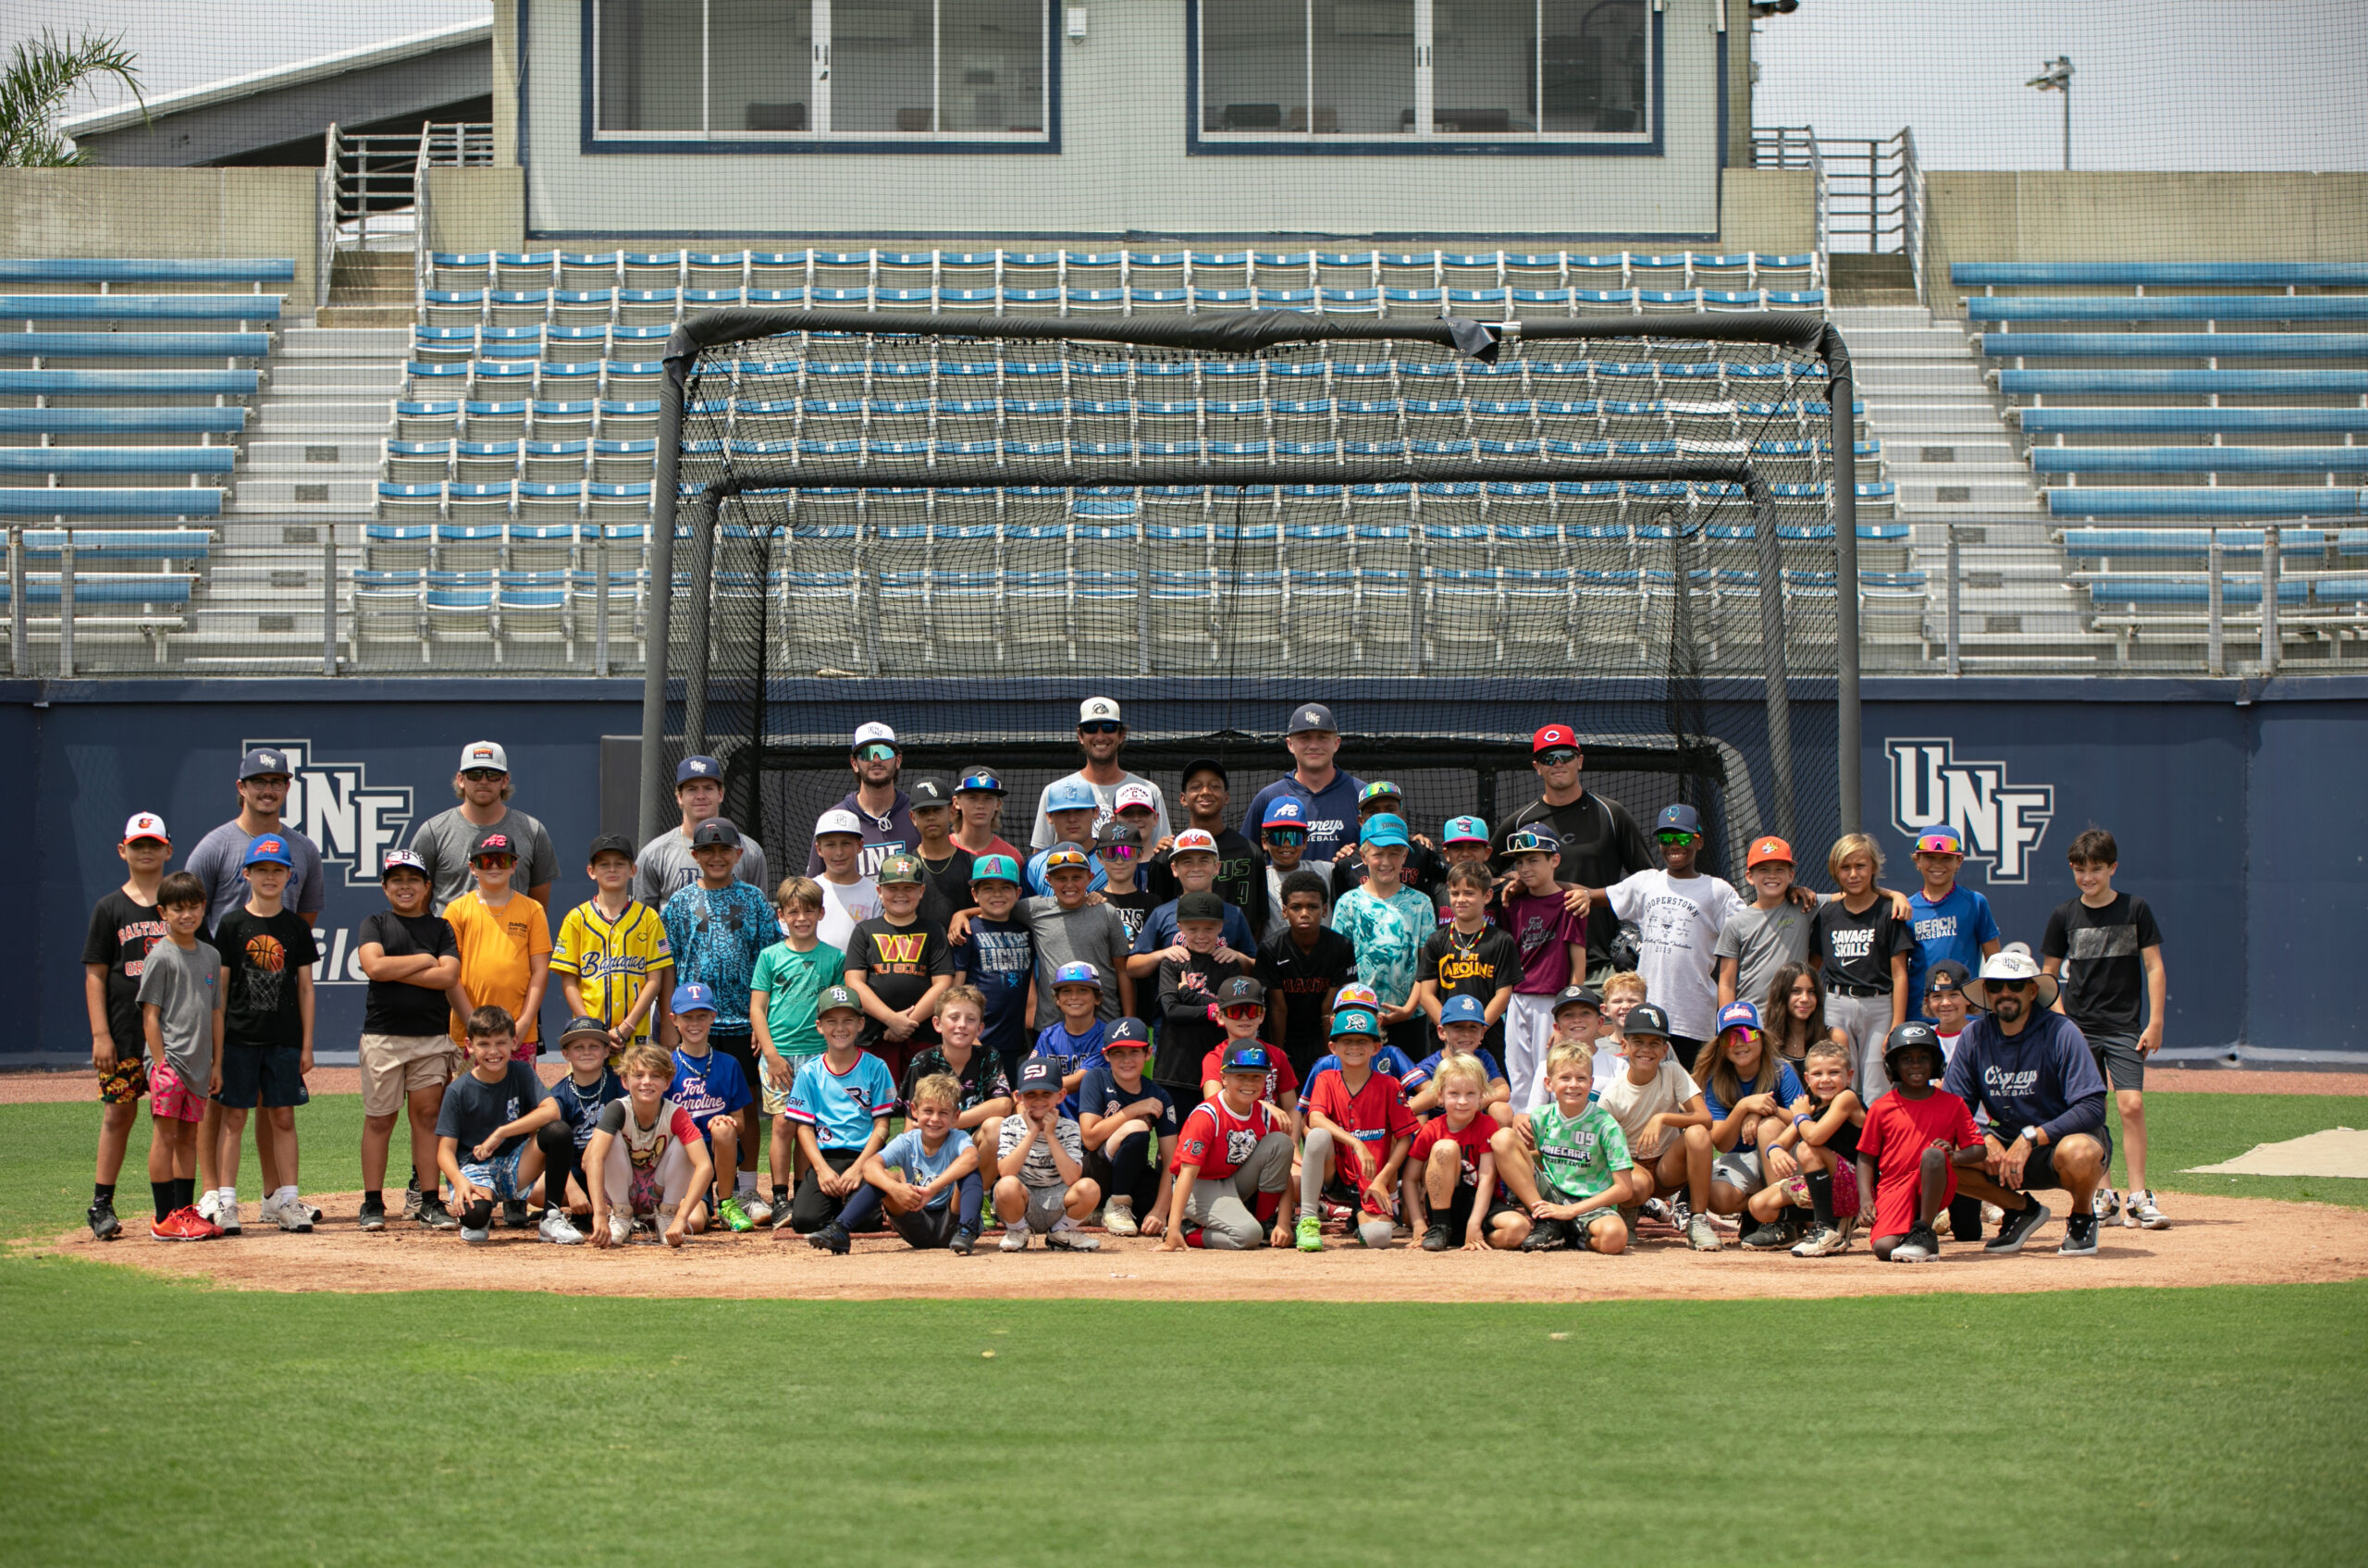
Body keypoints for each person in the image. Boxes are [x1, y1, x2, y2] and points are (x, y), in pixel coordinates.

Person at [186, 748, 324, 1228]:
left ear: (287, 787)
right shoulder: (215, 845)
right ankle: (212, 1194)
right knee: (222, 1102)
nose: (268, 790)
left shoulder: (302, 849)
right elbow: (189, 912)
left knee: (276, 1105)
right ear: (241, 787)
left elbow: (302, 919)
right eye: (258, 781)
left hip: (276, 1004)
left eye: (277, 781)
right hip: (224, 991)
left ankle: (276, 1196)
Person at [1944, 948, 2114, 1257]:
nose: (2005, 993)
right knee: (1938, 1156)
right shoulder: (1974, 1036)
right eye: (1995, 986)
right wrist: (1984, 1138)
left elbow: (2092, 1107)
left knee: (2081, 1152)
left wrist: (2032, 1137)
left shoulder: (2062, 1031)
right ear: (1986, 992)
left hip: (2058, 1140)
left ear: (2033, 991)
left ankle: (2082, 1217)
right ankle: (2021, 1210)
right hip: (2006, 1141)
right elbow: (1952, 1109)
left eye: (2016, 985)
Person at [2041, 827, 2170, 1230]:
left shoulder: (2136, 909)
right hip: (2079, 1029)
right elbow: (2047, 976)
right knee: (2090, 1112)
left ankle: (2139, 1197)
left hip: (2124, 1027)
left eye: (2096, 869)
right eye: (2080, 869)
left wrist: (2156, 1022)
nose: (2088, 877)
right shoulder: (2064, 914)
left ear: (2113, 868)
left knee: (2131, 1105)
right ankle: (2104, 1197)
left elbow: (2154, 966)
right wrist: (2063, 1022)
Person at [660, 819, 776, 1208]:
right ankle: (691, 1180)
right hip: (697, 1022)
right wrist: (671, 1021)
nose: (716, 857)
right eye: (707, 850)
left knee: (745, 1106)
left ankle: (746, 1188)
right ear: (694, 855)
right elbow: (669, 965)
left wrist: (764, 1020)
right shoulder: (679, 903)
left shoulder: (755, 899)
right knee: (694, 1102)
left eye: (724, 849)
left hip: (745, 1021)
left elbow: (768, 961)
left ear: (738, 854)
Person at [212, 832, 318, 1236]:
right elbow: (220, 991)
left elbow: (305, 988)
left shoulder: (295, 927)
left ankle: (288, 1201)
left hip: (284, 1040)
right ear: (247, 873)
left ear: (290, 875)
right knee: (234, 1117)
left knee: (284, 1117)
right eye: (262, 870)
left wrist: (307, 1044)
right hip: (239, 1037)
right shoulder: (232, 924)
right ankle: (226, 1203)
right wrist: (217, 1050)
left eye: (277, 870)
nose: (269, 877)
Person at [1490, 723, 1655, 982]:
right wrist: (1514, 881)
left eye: (1565, 756)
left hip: (1600, 965)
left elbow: (1648, 883)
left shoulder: (1612, 815)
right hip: (1536, 966)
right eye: (1548, 758)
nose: (1558, 763)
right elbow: (1482, 876)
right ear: (1537, 767)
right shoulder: (1520, 822)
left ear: (1580, 761)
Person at [354, 847, 464, 1233]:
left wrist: (393, 968)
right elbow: (373, 966)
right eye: (397, 880)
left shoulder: (441, 928)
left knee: (426, 1117)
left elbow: (448, 977)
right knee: (380, 1119)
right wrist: (423, 959)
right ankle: (372, 1203)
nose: (405, 887)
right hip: (383, 1036)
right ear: (385, 887)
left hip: (431, 1038)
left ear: (426, 886)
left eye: (413, 880)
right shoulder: (375, 922)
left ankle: (430, 1202)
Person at [1591, 804, 1743, 1068]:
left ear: (1699, 842)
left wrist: (1792, 894)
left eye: (1682, 838)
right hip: (1647, 1013)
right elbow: (1590, 896)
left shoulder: (1718, 890)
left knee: (1694, 1094)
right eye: (1665, 838)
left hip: (1694, 1016)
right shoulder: (1647, 881)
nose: (1673, 845)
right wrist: (1536, 882)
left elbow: (1752, 924)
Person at [82, 810, 175, 1241]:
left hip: (173, 1036)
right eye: (138, 845)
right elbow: (96, 974)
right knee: (118, 1116)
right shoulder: (110, 908)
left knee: (169, 1118)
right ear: (123, 850)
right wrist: (101, 1034)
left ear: (167, 850)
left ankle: (174, 1205)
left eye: (153, 845)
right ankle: (101, 1203)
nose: (145, 852)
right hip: (122, 1034)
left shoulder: (180, 903)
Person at [131, 870, 224, 1241]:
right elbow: (150, 1015)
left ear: (204, 908)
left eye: (193, 907)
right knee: (165, 1137)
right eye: (178, 909)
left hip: (200, 1066)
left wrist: (216, 1062)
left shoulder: (211, 956)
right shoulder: (160, 955)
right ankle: (161, 1218)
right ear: (163, 912)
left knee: (188, 1139)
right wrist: (161, 1064)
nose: (187, 915)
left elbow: (215, 1010)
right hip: (170, 1065)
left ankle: (185, 1212)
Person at [1585, 1002, 1720, 1251]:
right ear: (1624, 1046)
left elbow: (1705, 1118)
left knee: (1698, 1133)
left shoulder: (1673, 1072)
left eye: (1654, 1043)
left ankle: (1698, 1219)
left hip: (1669, 1166)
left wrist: (1663, 1119)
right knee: (1638, 1185)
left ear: (1664, 1049)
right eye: (1638, 1042)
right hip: (1633, 1168)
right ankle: (1627, 1209)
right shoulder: (1611, 1095)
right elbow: (1602, 1151)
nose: (1646, 1050)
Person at [751, 875, 845, 1219]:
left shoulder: (834, 958)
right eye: (793, 912)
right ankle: (779, 1197)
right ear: (782, 916)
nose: (801, 918)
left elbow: (839, 1011)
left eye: (809, 910)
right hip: (780, 1054)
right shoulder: (770, 956)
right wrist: (772, 1055)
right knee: (782, 1124)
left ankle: (805, 1190)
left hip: (818, 1055)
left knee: (809, 1124)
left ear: (821, 913)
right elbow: (757, 1009)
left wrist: (834, 1052)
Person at [1856, 1022, 1985, 1262]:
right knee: (1885, 1248)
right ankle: (1911, 1227)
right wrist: (1866, 1199)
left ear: (1936, 1063)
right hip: (1895, 1185)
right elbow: (1866, 1156)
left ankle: (1925, 1230)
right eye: (1907, 1059)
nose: (1916, 1065)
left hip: (1936, 1179)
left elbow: (1979, 1149)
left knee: (1934, 1154)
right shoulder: (1882, 1107)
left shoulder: (1953, 1103)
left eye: (1924, 1058)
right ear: (1893, 1066)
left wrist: (1953, 1156)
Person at [817, 1072, 985, 1255]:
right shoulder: (907, 1141)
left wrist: (932, 1189)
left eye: (943, 1113)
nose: (935, 1119)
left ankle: (967, 1228)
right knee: (881, 1178)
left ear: (956, 1116)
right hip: (916, 1224)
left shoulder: (958, 1138)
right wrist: (895, 1188)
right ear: (914, 1110)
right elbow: (870, 1166)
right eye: (928, 1111)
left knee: (970, 1172)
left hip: (952, 1224)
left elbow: (971, 1158)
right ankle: (840, 1229)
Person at [1495, 1041, 1634, 1254]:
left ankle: (1573, 1238)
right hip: (1550, 1196)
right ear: (1549, 1083)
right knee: (1503, 1138)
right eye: (1565, 1078)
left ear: (1591, 1082)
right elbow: (1531, 1158)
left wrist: (1570, 1211)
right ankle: (1545, 1221)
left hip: (1589, 1203)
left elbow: (1624, 1189)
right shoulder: (1541, 1117)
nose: (1573, 1085)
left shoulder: (1607, 1126)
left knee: (1614, 1238)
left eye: (1581, 1078)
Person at [1297, 1007, 1417, 1251]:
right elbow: (1315, 1119)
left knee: (1379, 1239)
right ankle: (1307, 1219)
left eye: (1362, 1041)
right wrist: (1356, 1143)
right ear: (1333, 1048)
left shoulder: (1389, 1084)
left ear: (1376, 1047)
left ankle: (1358, 1220)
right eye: (1346, 1041)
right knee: (1318, 1136)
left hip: (1370, 1177)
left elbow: (1405, 1138)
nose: (1354, 1047)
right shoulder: (1326, 1078)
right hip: (1334, 1174)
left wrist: (1382, 1180)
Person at [782, 985, 899, 1234]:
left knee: (867, 1223)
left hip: (864, 1157)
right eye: (831, 1021)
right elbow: (804, 1128)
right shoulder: (810, 1072)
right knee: (804, 1221)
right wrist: (822, 1170)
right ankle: (838, 1202)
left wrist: (859, 1169)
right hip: (827, 1157)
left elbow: (882, 1127)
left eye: (848, 1021)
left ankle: (867, 1194)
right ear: (819, 1026)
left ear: (860, 1024)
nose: (840, 1028)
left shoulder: (876, 1067)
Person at [1158, 1041, 1297, 1251]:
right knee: (1247, 1235)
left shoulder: (1265, 1115)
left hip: (1231, 1181)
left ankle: (1264, 1222)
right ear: (1223, 1078)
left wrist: (1283, 1222)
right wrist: (1173, 1225)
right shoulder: (1207, 1115)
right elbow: (1187, 1173)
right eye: (1240, 1076)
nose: (1249, 1083)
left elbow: (1283, 1168)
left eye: (1256, 1077)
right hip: (1198, 1188)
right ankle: (1187, 1233)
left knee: (1282, 1143)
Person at [434, 1006, 553, 1244]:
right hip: (475, 1167)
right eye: (484, 1044)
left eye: (501, 1043)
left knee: (556, 1133)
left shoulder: (521, 1072)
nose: (493, 1051)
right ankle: (483, 1208)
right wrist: (459, 1182)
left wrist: (501, 1133)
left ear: (514, 1041)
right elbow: (444, 1151)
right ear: (469, 1046)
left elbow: (552, 1111)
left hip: (516, 1164)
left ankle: (553, 1217)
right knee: (475, 1215)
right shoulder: (458, 1090)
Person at [550, 833, 672, 1056]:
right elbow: (568, 980)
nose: (612, 869)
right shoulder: (576, 918)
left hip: (635, 1036)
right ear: (591, 871)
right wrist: (591, 1027)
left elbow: (655, 980)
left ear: (633, 870)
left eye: (620, 864)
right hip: (589, 1037)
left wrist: (626, 1027)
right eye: (604, 864)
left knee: (636, 1086)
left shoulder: (649, 918)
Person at [896, 984, 1013, 1214]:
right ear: (937, 1024)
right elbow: (911, 1126)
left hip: (975, 1150)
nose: (961, 1025)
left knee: (996, 1126)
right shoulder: (923, 1061)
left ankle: (983, 1196)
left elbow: (1004, 1104)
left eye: (970, 1019)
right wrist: (903, 1183)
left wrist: (952, 1122)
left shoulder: (988, 1056)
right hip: (933, 1151)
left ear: (980, 1028)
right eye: (954, 1017)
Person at [586, 1042, 714, 1249]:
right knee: (605, 1142)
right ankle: (620, 1214)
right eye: (638, 1075)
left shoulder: (676, 1114)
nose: (647, 1082)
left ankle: (667, 1215)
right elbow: (594, 1158)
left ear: (667, 1082)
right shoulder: (617, 1109)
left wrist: (681, 1218)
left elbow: (705, 1166)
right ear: (625, 1081)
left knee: (686, 1145)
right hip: (623, 1187)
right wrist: (599, 1215)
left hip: (659, 1189)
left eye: (655, 1076)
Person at [1329, 813, 1437, 1055]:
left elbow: (1426, 965)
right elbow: (1339, 965)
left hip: (1410, 1019)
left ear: (1405, 857)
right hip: (1359, 1020)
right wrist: (1359, 1009)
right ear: (1365, 856)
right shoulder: (1349, 903)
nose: (1386, 861)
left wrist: (1409, 1008)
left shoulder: (1421, 904)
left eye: (1394, 853)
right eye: (1378, 854)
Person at [1813, 833, 1912, 1093]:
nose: (1853, 874)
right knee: (1840, 1083)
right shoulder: (1827, 915)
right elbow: (1814, 964)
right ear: (1835, 871)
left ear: (1873, 868)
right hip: (1837, 1004)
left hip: (1879, 1006)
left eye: (1860, 866)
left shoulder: (1888, 912)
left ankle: (1874, 1134)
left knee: (1876, 1086)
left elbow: (1900, 974)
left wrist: (1896, 1025)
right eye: (1845, 867)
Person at [845, 852, 955, 1085]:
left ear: (921, 891)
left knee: (925, 1101)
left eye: (908, 887)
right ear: (879, 891)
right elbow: (854, 982)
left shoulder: (934, 931)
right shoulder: (864, 931)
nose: (901, 894)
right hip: (874, 1034)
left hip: (923, 1033)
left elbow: (943, 984)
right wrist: (890, 1019)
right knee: (878, 1104)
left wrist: (906, 1023)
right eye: (892, 888)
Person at [444, 825, 553, 1061]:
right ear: (473, 868)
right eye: (486, 861)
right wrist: (471, 1022)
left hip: (518, 1033)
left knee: (518, 1096)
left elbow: (540, 972)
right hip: (467, 1033)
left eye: (502, 860)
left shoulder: (532, 910)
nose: (494, 866)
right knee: (468, 1096)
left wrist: (524, 1023)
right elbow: (450, 976)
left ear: (514, 866)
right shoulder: (456, 911)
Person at [410, 740, 558, 913]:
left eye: (492, 774)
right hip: (450, 939)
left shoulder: (532, 831)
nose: (483, 781)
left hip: (512, 939)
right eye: (475, 774)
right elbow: (417, 905)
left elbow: (537, 910)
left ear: (505, 781)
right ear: (460, 780)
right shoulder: (434, 832)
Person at [1695, 998, 1807, 1227]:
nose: (1739, 1043)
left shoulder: (1781, 1070)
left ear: (1762, 1038)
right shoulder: (1716, 1080)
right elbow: (1721, 1144)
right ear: (1721, 1047)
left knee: (1769, 1127)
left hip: (1785, 1154)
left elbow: (1803, 1121)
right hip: (1742, 1158)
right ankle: (1764, 1210)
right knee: (1717, 1198)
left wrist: (1766, 1112)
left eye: (1747, 1034)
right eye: (1729, 1038)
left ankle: (1780, 1222)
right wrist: (1744, 1107)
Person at [1497, 826, 1586, 1107]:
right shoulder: (1512, 902)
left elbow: (1578, 967)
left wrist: (1566, 1014)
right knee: (1518, 1075)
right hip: (1517, 999)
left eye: (1533, 860)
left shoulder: (1570, 903)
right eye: (1519, 862)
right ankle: (1520, 1142)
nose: (1524, 868)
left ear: (1555, 860)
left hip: (1552, 1002)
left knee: (1549, 1073)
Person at [1404, 1052, 1529, 1252]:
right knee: (1445, 1147)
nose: (1462, 1101)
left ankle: (1466, 1237)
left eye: (1470, 1094)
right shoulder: (1432, 1128)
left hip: (1480, 1201)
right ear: (1440, 1096)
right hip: (1441, 1204)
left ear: (1481, 1096)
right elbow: (1410, 1179)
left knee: (1519, 1228)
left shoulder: (1487, 1124)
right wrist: (1419, 1223)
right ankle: (1441, 1227)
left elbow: (1487, 1178)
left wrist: (1474, 1223)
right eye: (1454, 1094)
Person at [664, 982, 763, 1232]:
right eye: (687, 1017)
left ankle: (727, 1202)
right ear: (674, 1020)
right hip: (683, 1157)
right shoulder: (666, 1066)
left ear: (713, 1018)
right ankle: (684, 1204)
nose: (695, 1023)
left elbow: (740, 1122)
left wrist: (725, 1122)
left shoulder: (728, 1064)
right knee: (695, 1223)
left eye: (702, 1016)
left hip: (719, 1153)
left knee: (723, 1128)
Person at [1127, 830, 1257, 1010]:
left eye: (1204, 860)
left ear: (1217, 867)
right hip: (1174, 1022)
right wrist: (1161, 954)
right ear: (1174, 869)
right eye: (1187, 861)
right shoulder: (1162, 914)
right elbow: (1132, 967)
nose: (1196, 868)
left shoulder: (1233, 914)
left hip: (1223, 1022)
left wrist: (1238, 957)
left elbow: (1257, 968)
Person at [1411, 861, 1523, 1061]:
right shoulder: (1436, 940)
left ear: (1487, 896)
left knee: (1490, 1090)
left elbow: (1504, 993)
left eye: (1469, 893)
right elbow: (1426, 994)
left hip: (1487, 1039)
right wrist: (1449, 1029)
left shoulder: (1501, 940)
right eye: (1455, 893)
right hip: (1445, 1041)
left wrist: (1477, 1030)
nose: (1461, 900)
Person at [1029, 696, 1173, 850]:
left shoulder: (1148, 790)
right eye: (1091, 728)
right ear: (1080, 735)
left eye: (1108, 727)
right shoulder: (1055, 791)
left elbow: (1161, 850)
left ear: (1121, 735)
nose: (1100, 736)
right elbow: (1039, 857)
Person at [1076, 1019, 1176, 1239]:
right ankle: (1117, 1204)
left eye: (1134, 1052)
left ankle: (1099, 1212)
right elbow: (1090, 1138)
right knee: (1137, 1127)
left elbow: (1171, 1160)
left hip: (1131, 1171)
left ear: (1148, 1053)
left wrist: (1160, 1210)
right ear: (1106, 1055)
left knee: (1181, 1204)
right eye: (1118, 1053)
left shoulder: (1159, 1094)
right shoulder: (1096, 1078)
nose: (1127, 1060)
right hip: (1093, 1171)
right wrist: (1133, 1110)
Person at [1256, 868, 1359, 1081]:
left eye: (1312, 907)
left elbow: (1329, 1008)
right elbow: (1278, 1007)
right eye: (1296, 907)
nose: (1304, 913)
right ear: (1284, 911)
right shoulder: (1271, 948)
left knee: (1324, 1085)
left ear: (1323, 910)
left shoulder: (1340, 946)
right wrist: (1278, 1057)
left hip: (1320, 1033)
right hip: (1285, 1034)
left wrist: (1328, 1059)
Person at [531, 1017, 625, 1245]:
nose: (586, 1052)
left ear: (606, 1051)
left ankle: (618, 1208)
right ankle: (582, 1208)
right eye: (578, 1047)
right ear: (566, 1054)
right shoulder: (560, 1094)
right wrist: (572, 1190)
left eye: (594, 1046)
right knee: (537, 1193)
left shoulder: (618, 1083)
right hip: (574, 1167)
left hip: (613, 1166)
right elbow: (551, 1151)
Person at [993, 1056, 1102, 1251]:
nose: (1039, 1100)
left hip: (1057, 1202)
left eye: (1046, 1093)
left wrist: (1050, 1136)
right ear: (1019, 1097)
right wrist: (1032, 1132)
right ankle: (1018, 1231)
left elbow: (1072, 1177)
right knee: (1006, 1186)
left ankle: (1060, 1233)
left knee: (1090, 1188)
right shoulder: (1010, 1125)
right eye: (1031, 1094)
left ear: (1060, 1096)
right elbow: (1006, 1172)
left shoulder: (1069, 1127)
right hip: (1020, 1204)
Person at [635, 754, 772, 904]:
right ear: (679, 797)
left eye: (708, 788)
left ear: (720, 794)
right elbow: (644, 921)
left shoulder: (750, 851)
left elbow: (759, 915)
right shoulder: (654, 854)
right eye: (692, 789)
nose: (701, 796)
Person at [1148, 759, 1263, 938]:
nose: (1205, 792)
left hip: (1233, 957)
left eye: (1214, 786)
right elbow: (1157, 918)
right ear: (1183, 799)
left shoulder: (1251, 851)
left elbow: (1259, 921)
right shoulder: (1167, 855)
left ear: (1226, 797)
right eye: (1196, 786)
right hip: (1181, 956)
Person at [1153, 891, 1249, 1100]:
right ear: (1180, 927)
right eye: (1193, 928)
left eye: (1209, 928)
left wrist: (1187, 994)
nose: (1201, 935)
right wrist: (1214, 1010)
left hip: (1218, 1068)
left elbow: (1230, 1012)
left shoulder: (1228, 963)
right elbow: (1172, 1011)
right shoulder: (1174, 961)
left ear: (1221, 927)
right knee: (1175, 1133)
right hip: (1175, 1067)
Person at [1243, 702, 1365, 866]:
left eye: (1322, 737)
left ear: (1336, 743)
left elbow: (1388, 852)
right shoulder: (1269, 798)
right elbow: (1246, 859)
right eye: (1304, 737)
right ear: (1290, 744)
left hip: (1349, 892)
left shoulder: (1362, 794)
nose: (1313, 745)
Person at [950, 855, 1036, 1080]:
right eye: (988, 888)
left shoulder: (1026, 931)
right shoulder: (966, 933)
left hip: (1014, 1042)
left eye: (1005, 887)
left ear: (1018, 894)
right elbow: (955, 992)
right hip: (975, 1040)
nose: (997, 894)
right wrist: (968, 1037)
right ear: (974, 894)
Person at [1780, 1040, 1868, 1257]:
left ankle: (1827, 1227)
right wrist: (1775, 1152)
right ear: (1807, 1079)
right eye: (1818, 1074)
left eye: (1834, 1072)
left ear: (1849, 1076)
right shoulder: (1812, 1105)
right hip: (1831, 1185)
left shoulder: (1846, 1098)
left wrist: (1800, 1116)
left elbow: (1814, 1136)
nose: (1826, 1080)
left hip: (1859, 1186)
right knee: (1759, 1206)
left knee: (1806, 1149)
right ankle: (1836, 1218)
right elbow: (1778, 1143)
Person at [1904, 827, 2002, 1023]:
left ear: (1959, 862)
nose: (1937, 865)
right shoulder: (1906, 908)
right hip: (1919, 1016)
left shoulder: (1974, 902)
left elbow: (1995, 963)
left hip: (1964, 1015)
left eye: (1946, 858)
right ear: (1917, 861)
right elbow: (1899, 971)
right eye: (1930, 857)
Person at [804, 721, 915, 880]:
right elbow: (813, 888)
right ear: (854, 763)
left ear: (898, 760)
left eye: (884, 752)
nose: (876, 760)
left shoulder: (917, 815)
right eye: (867, 753)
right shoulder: (833, 819)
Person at [1716, 836, 1814, 1010]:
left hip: (1794, 1020)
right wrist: (1729, 1025)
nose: (1772, 876)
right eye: (1763, 869)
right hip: (1752, 1023)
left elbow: (1848, 898)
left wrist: (1878, 891)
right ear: (1749, 876)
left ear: (1791, 875)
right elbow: (1726, 983)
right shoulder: (1735, 923)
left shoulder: (1805, 905)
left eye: (1779, 869)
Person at [1196, 976, 1301, 1126]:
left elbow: (1292, 1107)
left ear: (1262, 1016)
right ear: (1220, 1016)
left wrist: (1295, 1146)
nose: (1244, 1018)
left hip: (1268, 1135)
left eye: (1252, 1011)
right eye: (1235, 1011)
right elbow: (1214, 1104)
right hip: (1231, 1133)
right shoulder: (1214, 1058)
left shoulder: (1277, 1055)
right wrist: (1264, 1107)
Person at [1331, 780, 1446, 902]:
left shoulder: (1420, 852)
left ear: (1401, 816)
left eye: (1390, 810)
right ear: (1361, 821)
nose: (1382, 816)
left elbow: (1446, 890)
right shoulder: (1347, 861)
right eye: (1373, 812)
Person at [1401, 994, 1512, 1118]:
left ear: (1482, 1033)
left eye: (1473, 1027)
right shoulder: (1427, 1068)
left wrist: (1474, 1102)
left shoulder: (1482, 1057)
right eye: (1458, 1027)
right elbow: (1411, 1112)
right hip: (1439, 1133)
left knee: (1502, 1110)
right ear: (1442, 1032)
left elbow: (1504, 1090)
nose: (1466, 1034)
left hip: (1476, 1130)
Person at [1035, 960, 1113, 1107]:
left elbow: (1080, 1080)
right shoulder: (1048, 1036)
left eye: (1083, 990)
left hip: (1094, 1118)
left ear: (1097, 998)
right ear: (1057, 999)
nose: (1074, 997)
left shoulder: (1107, 1035)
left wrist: (1038, 1087)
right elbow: (1033, 1076)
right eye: (1066, 991)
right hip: (1054, 1118)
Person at [810, 808, 884, 951]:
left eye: (846, 843)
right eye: (830, 845)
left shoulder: (876, 893)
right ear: (819, 849)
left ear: (860, 846)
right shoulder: (808, 890)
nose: (839, 852)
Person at [905, 778, 975, 929]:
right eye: (923, 812)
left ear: (951, 812)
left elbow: (994, 909)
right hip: (919, 950)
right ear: (913, 817)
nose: (931, 817)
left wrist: (964, 914)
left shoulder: (973, 862)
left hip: (962, 949)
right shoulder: (905, 867)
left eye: (937, 809)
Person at [1255, 797, 1333, 928]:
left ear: (1304, 842)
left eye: (1293, 838)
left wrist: (1349, 854)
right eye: (1278, 838)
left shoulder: (1327, 871)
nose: (1286, 845)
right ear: (1264, 842)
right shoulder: (1259, 879)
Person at [1027, 779, 1111, 895]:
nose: (1072, 819)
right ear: (1049, 816)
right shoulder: (1034, 865)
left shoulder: (1115, 860)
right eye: (1063, 812)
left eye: (1080, 811)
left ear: (1096, 811)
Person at [1762, 962, 1846, 1079]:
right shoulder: (1764, 1041)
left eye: (1811, 992)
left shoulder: (1834, 1037)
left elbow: (1846, 1088)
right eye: (1796, 991)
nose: (1805, 999)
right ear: (1781, 994)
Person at [951, 768, 1024, 862]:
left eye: (988, 798)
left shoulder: (1011, 857)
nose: (980, 805)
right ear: (956, 803)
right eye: (972, 798)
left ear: (998, 804)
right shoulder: (941, 849)